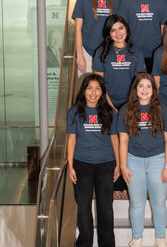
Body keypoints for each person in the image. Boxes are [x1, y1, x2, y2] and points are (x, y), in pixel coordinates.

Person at [118, 73, 167, 247]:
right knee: (136, 204)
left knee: (159, 203)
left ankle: (161, 238)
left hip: (158, 160)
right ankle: (137, 238)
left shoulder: (163, 109)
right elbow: (123, 140)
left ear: (153, 89)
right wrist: (123, 166)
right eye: (141, 86)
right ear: (135, 89)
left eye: (148, 86)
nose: (145, 90)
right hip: (133, 161)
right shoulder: (126, 109)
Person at [66, 74, 119, 247]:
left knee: (105, 207)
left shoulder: (109, 112)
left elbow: (114, 139)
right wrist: (70, 165)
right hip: (81, 165)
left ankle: (107, 244)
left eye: (97, 88)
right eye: (89, 88)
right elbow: (71, 139)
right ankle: (85, 243)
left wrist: (118, 164)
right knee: (83, 208)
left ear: (102, 92)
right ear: (83, 91)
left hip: (105, 164)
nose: (93, 92)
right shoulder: (74, 112)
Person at [118, 0, 167, 72]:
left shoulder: (161, 2)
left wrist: (164, 52)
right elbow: (121, 30)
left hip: (154, 53)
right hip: (132, 53)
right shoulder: (126, 1)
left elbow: (164, 30)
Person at [73, 0, 121, 75]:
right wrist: (80, 55)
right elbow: (77, 28)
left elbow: (120, 29)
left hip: (110, 52)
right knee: (89, 91)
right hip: (87, 52)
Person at [93, 15, 146, 110]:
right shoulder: (101, 52)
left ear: (126, 28)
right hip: (107, 103)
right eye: (113, 30)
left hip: (131, 103)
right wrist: (112, 108)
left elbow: (140, 83)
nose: (118, 33)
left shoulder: (136, 51)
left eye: (121, 28)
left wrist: (130, 105)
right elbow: (99, 85)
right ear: (109, 33)